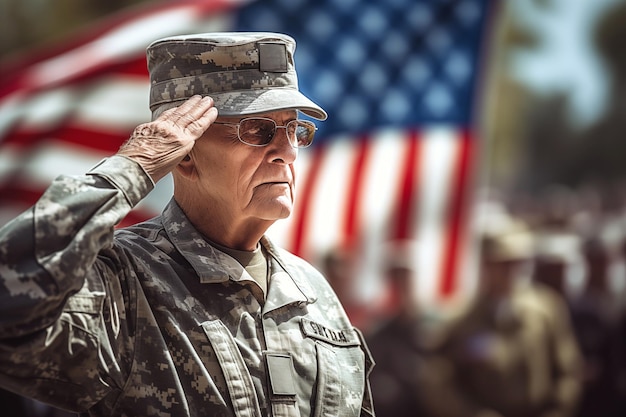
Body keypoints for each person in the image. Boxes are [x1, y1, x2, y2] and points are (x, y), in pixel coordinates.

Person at [0, 32, 375, 417]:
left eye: (294, 129)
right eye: (258, 131)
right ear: (185, 156)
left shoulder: (314, 293)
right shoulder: (125, 284)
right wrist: (132, 168)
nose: (287, 151)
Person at [426, 219, 583, 417]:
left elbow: (569, 371)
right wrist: (470, 413)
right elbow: (438, 380)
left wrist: (557, 410)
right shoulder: (461, 319)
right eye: (503, 263)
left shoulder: (546, 309)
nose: (511, 271)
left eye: (516, 263)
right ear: (486, 265)